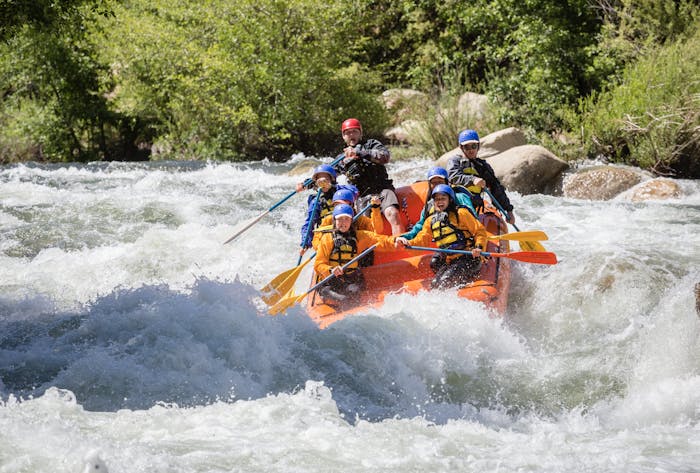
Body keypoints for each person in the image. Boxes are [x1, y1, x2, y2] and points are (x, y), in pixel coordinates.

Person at [395, 184, 487, 289]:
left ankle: (462, 280)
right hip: (451, 261)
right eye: (437, 199)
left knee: (444, 282)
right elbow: (421, 239)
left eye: (443, 198)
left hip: (469, 259)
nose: (440, 202)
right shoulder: (430, 221)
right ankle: (455, 281)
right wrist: (407, 243)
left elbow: (480, 231)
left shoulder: (461, 213)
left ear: (450, 200)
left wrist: (479, 247)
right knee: (435, 283)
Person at [334, 118, 406, 235]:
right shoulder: (341, 158)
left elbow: (385, 156)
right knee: (365, 226)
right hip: (362, 195)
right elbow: (328, 174)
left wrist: (359, 153)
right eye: (348, 133)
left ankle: (399, 243)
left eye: (355, 132)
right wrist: (311, 181)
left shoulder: (371, 144)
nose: (352, 135)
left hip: (382, 189)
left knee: (392, 213)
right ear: (343, 136)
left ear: (360, 133)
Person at [314, 204, 395, 305]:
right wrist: (330, 269)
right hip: (330, 281)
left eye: (346, 219)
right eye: (340, 219)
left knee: (354, 294)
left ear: (351, 221)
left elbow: (380, 240)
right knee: (341, 298)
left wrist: (396, 241)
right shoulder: (327, 239)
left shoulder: (359, 236)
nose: (343, 223)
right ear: (334, 221)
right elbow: (318, 264)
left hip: (350, 279)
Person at [447, 129, 516, 224]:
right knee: (461, 198)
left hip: (474, 205)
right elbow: (453, 176)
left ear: (478, 146)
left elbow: (496, 189)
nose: (471, 150)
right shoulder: (455, 161)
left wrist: (509, 210)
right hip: (456, 202)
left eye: (473, 146)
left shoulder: (483, 166)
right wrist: (472, 179)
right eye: (467, 147)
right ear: (461, 147)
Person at [400, 166, 477, 241]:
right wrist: (407, 236)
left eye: (440, 181)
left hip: (464, 241)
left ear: (447, 182)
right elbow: (421, 225)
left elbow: (474, 220)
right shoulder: (429, 205)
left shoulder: (461, 197)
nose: (437, 185)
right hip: (443, 243)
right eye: (434, 182)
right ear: (430, 185)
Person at [298, 164, 355, 256]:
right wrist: (305, 243)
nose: (323, 184)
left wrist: (331, 187)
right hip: (326, 235)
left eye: (326, 180)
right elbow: (309, 223)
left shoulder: (341, 192)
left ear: (332, 180)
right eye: (320, 181)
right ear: (316, 183)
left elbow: (355, 191)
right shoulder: (316, 202)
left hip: (346, 230)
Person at [310, 189, 384, 250]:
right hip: (336, 256)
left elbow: (377, 230)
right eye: (336, 205)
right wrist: (323, 247)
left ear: (351, 205)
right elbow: (316, 240)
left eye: (342, 204)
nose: (339, 208)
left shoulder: (360, 219)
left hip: (357, 255)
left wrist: (375, 209)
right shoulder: (328, 220)